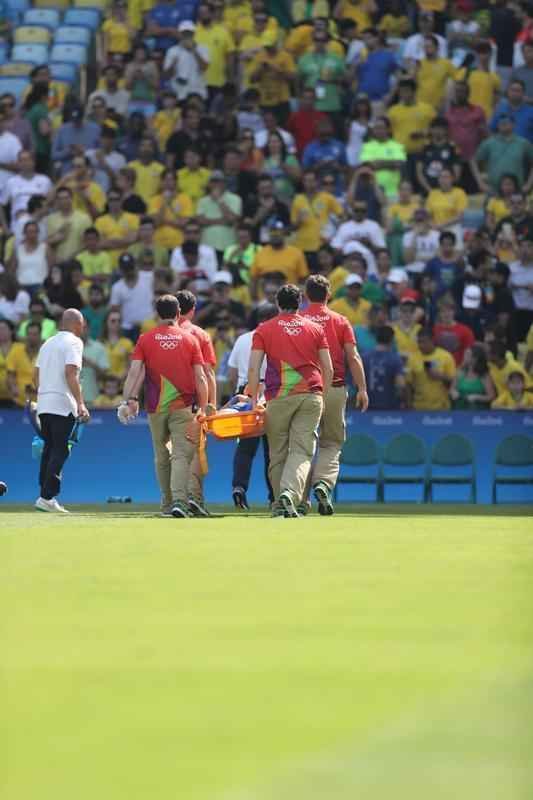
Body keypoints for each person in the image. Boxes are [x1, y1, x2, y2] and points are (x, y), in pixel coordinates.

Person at [247, 283, 333, 518]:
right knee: (302, 451)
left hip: (279, 398)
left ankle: (279, 502)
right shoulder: (315, 328)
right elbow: (328, 367)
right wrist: (322, 395)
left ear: (277, 304)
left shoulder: (264, 330)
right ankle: (291, 495)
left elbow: (254, 369)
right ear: (300, 303)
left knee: (277, 454)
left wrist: (253, 400)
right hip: (311, 395)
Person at [120, 294, 208, 519]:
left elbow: (134, 373)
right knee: (180, 455)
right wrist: (204, 408)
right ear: (179, 313)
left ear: (157, 314)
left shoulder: (145, 339)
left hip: (155, 408)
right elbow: (201, 378)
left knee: (161, 456)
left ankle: (167, 505)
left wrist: (128, 400)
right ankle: (179, 501)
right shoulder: (190, 339)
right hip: (183, 407)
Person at [301, 275, 368, 515]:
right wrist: (362, 388)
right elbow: (353, 356)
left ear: (306, 295)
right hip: (336, 388)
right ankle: (323, 483)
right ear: (329, 295)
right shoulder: (340, 321)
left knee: (303, 444)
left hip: (304, 390)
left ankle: (300, 499)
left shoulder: (298, 321)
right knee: (331, 442)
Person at [33, 309, 89, 513]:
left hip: (44, 404)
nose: (83, 329)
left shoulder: (47, 343)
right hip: (62, 404)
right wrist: (81, 403)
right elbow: (70, 373)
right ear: (75, 324)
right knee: (60, 449)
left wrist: (45, 392)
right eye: (82, 324)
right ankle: (48, 497)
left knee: (49, 449)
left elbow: (35, 377)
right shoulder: (74, 342)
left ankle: (43, 495)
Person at [228, 303, 278, 510]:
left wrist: (238, 396)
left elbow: (232, 373)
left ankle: (239, 487)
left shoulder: (242, 339)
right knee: (271, 450)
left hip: (245, 392)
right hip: (270, 392)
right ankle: (273, 496)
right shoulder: (276, 337)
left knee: (245, 449)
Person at [176, 289, 217, 516]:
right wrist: (211, 403)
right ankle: (194, 497)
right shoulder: (200, 335)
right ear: (193, 310)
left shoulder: (162, 333)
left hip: (168, 401)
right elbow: (208, 373)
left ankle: (175, 500)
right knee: (195, 451)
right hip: (194, 402)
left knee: (174, 453)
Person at [406, 326, 456, 410]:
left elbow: (454, 381)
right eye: (419, 342)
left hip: (441, 409)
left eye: (423, 342)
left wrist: (440, 376)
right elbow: (408, 384)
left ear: (432, 340)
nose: (420, 345)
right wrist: (409, 405)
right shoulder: (413, 358)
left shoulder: (446, 356)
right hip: (419, 408)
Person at [362, 325, 406, 410]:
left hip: (367, 407)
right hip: (389, 408)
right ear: (391, 340)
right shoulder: (395, 359)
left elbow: (356, 382)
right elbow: (401, 385)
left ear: (376, 338)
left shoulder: (364, 357)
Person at [6, 321, 41, 408]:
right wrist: (13, 387)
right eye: (29, 334)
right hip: (19, 401)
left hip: (40, 401)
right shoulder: (16, 350)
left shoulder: (46, 353)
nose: (31, 337)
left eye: (35, 334)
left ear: (40, 336)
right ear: (26, 335)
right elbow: (10, 374)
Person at [450, 344, 495, 409]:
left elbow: (491, 396)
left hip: (478, 413)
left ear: (475, 358)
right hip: (459, 410)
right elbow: (451, 389)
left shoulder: (484, 375)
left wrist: (477, 397)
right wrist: (453, 392)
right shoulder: (460, 371)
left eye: (467, 355)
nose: (464, 356)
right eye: (465, 354)